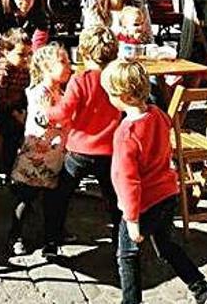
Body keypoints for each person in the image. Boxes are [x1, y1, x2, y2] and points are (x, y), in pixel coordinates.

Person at [100, 60, 207, 304]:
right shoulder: (156, 114)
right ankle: (202, 290)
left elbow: (127, 180)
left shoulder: (126, 133)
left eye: (110, 94)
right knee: (166, 247)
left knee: (127, 256)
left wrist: (132, 219)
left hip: (143, 202)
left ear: (122, 96)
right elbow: (167, 124)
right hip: (166, 194)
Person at [42, 25, 122, 258]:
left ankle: (51, 241)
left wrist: (48, 111)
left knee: (59, 196)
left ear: (84, 52)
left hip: (80, 150)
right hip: (109, 149)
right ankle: (122, 240)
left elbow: (65, 112)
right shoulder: (116, 78)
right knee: (115, 198)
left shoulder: (80, 80)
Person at [7, 44, 72, 256]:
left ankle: (52, 234)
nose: (69, 65)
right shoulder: (39, 93)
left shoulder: (59, 90)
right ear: (46, 67)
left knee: (53, 199)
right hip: (36, 155)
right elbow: (43, 119)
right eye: (63, 62)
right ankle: (15, 235)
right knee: (26, 197)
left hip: (54, 156)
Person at [0, 28, 33, 174]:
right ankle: (9, 168)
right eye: (21, 55)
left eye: (28, 54)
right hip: (0, 111)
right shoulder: (3, 70)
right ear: (6, 52)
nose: (26, 59)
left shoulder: (23, 67)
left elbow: (26, 90)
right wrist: (15, 114)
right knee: (15, 132)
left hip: (16, 105)